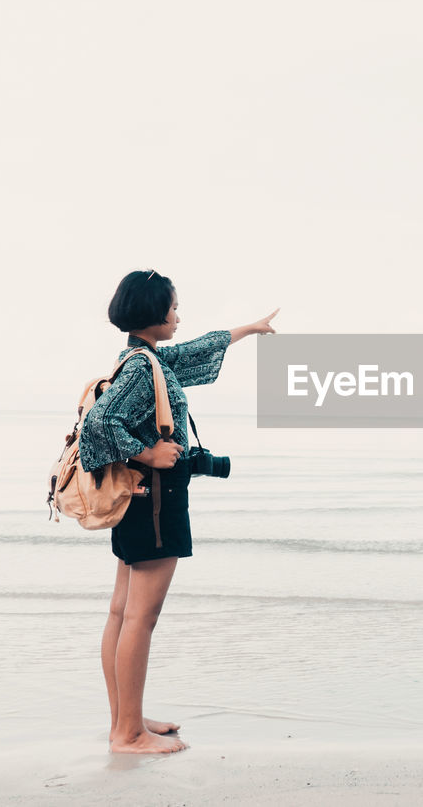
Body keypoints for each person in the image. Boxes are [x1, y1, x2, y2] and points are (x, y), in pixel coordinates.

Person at [79, 268, 278, 754]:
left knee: (121, 612)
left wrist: (248, 330)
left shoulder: (142, 358)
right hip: (154, 500)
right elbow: (97, 429)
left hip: (139, 501)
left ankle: (125, 719)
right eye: (172, 308)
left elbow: (194, 352)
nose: (178, 316)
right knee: (139, 618)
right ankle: (128, 735)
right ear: (152, 313)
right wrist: (147, 454)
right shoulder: (140, 369)